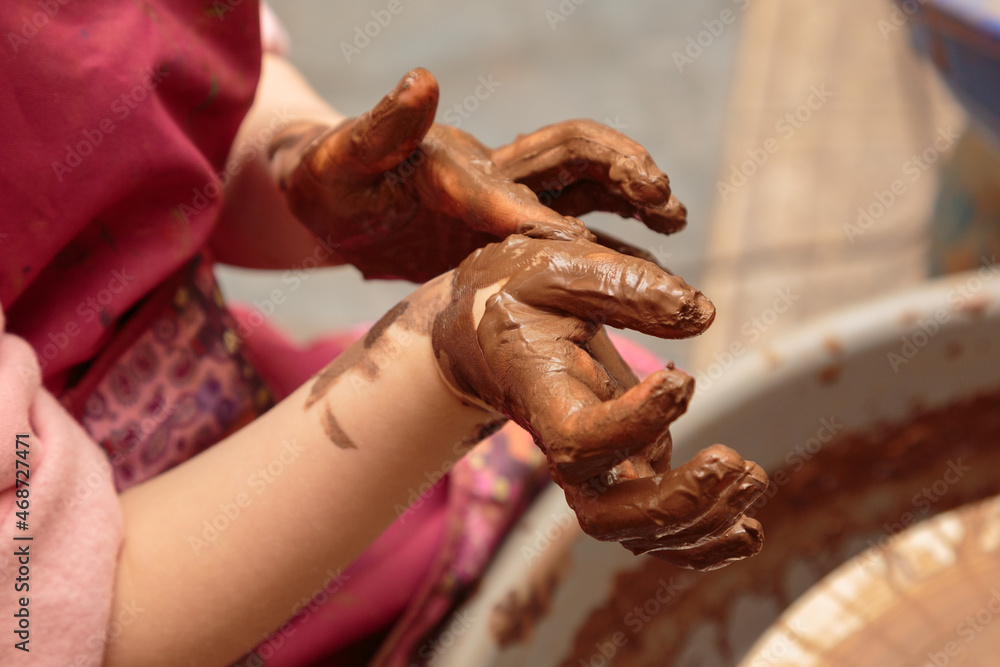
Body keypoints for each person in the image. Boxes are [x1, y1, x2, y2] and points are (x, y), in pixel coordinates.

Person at [0, 2, 765, 665]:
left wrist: (313, 174)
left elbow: (179, 105)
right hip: (137, 586)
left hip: (224, 388)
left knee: (606, 415)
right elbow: (51, 618)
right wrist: (439, 358)